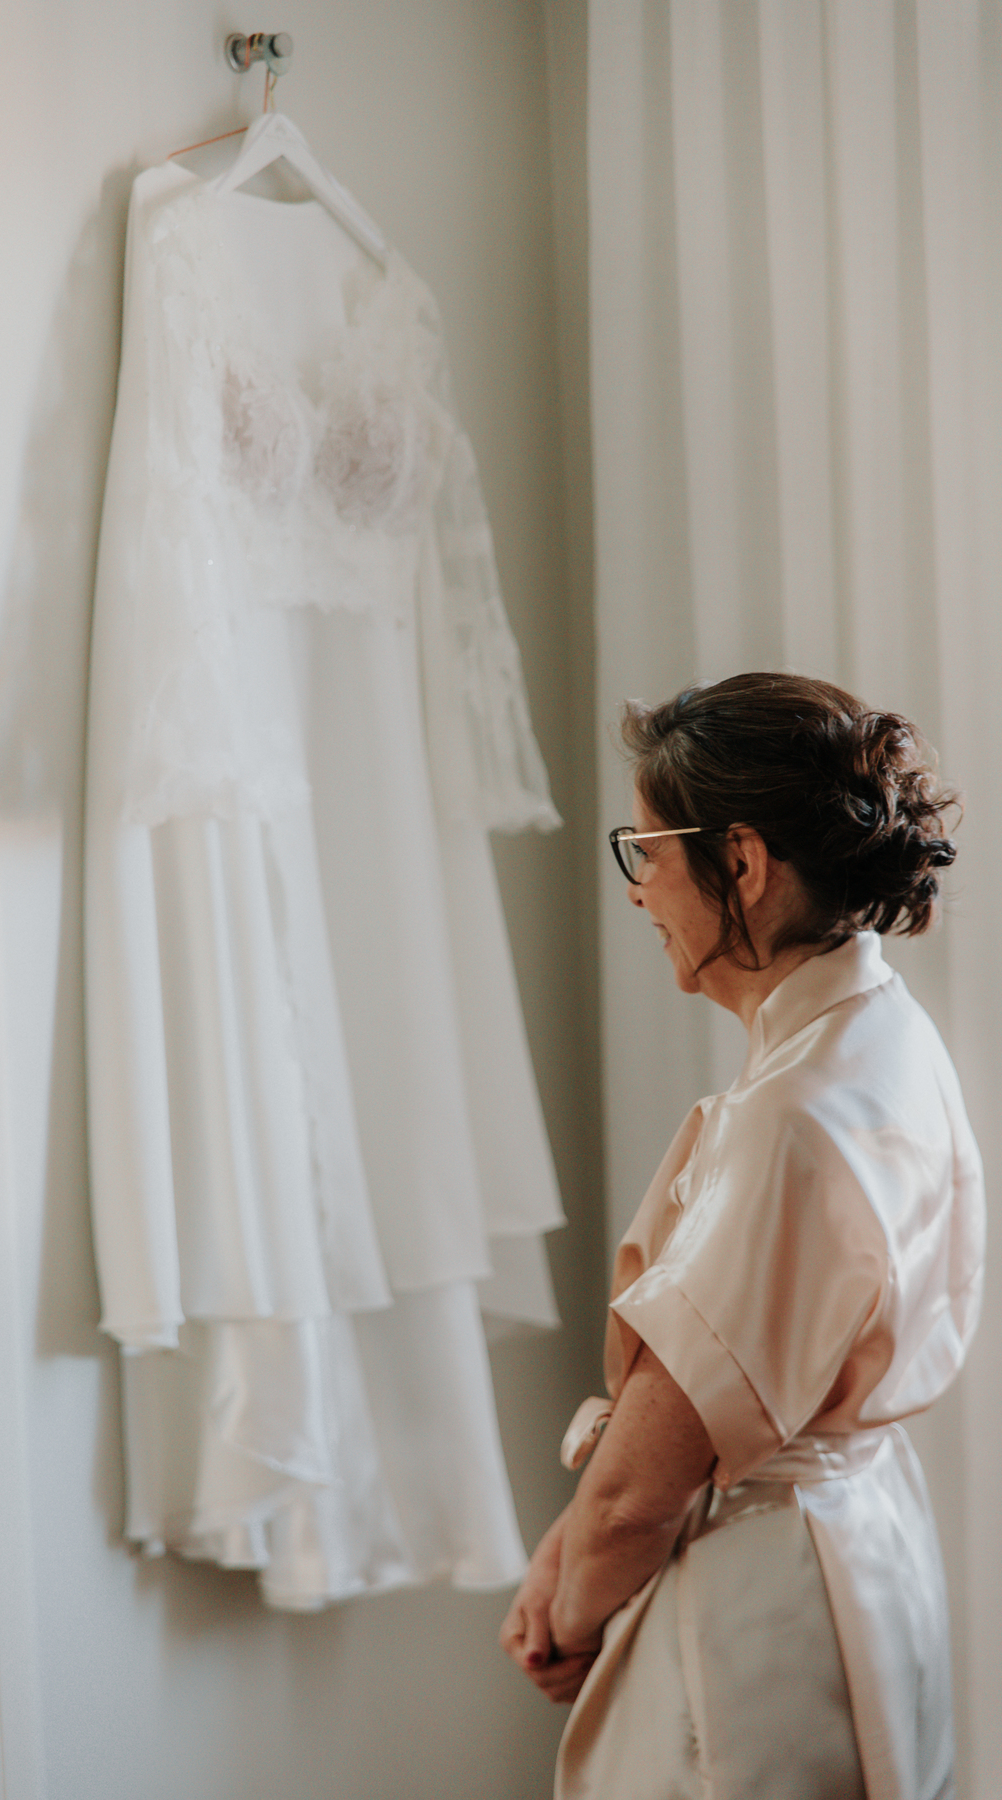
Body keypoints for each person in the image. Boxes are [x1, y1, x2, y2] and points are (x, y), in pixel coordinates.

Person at [500, 673, 985, 1800]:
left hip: (760, 1606)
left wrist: (568, 1609)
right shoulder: (885, 1033)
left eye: (648, 851)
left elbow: (640, 1487)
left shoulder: (791, 1116)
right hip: (866, 1551)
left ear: (745, 863)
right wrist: (570, 1545)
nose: (637, 891)